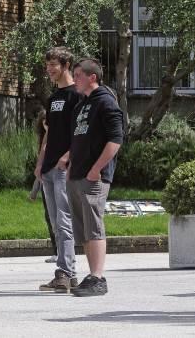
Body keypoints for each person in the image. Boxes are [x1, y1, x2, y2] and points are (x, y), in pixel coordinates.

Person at [66, 58, 123, 297]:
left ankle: (99, 277)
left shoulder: (106, 102)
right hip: (77, 174)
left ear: (92, 77)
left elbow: (115, 140)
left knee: (94, 226)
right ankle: (91, 276)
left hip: (94, 177)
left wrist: (96, 168)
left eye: (78, 75)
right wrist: (70, 165)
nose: (74, 79)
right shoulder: (82, 105)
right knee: (84, 230)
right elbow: (78, 139)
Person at [34, 47, 82, 293]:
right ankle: (69, 274)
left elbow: (81, 132)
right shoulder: (53, 99)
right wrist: (40, 162)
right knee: (55, 222)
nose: (49, 69)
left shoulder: (77, 96)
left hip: (65, 169)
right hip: (49, 169)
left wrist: (68, 156)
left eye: (53, 64)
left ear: (66, 65)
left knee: (64, 221)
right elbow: (49, 134)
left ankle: (64, 272)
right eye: (47, 65)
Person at [31, 110, 59, 264]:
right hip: (45, 181)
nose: (46, 124)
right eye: (44, 122)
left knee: (58, 216)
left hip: (58, 179)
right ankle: (56, 251)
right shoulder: (42, 139)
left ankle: (63, 251)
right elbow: (39, 167)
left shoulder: (55, 138)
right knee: (49, 216)